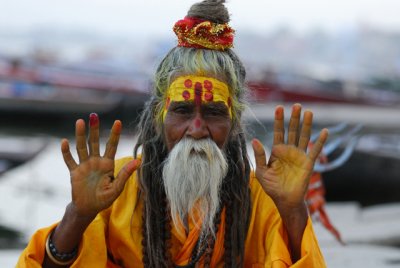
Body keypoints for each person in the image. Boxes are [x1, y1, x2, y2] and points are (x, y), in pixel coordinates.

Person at [17, 0, 328, 267]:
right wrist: (78, 215)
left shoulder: (261, 196)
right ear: (159, 116)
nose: (196, 129)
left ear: (233, 123)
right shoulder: (116, 186)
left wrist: (293, 210)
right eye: (181, 111)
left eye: (214, 113)